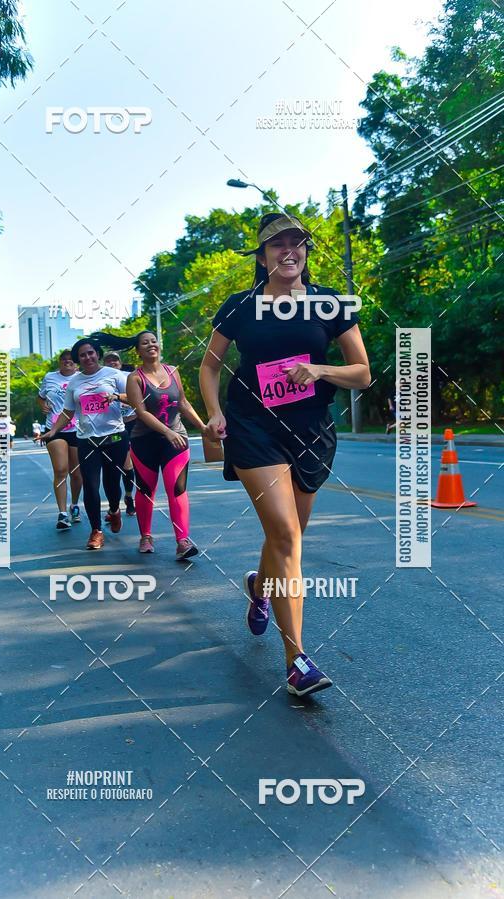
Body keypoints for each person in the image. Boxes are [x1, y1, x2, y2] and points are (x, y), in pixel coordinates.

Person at [199, 212, 371, 697]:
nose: (288, 251)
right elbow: (209, 368)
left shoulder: (329, 304)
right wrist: (214, 412)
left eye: (297, 243)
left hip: (312, 430)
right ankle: (297, 660)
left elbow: (362, 372)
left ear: (306, 253)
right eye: (277, 245)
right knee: (286, 534)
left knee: (286, 537)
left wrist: (319, 370)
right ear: (263, 256)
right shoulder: (241, 307)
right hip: (254, 427)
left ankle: (260, 589)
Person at [98, 330, 205, 560]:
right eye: (145, 343)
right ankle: (146, 535)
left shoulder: (173, 371)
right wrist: (166, 432)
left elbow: (184, 403)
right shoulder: (135, 378)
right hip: (144, 440)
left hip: (176, 437)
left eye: (153, 341)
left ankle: (182, 541)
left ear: (159, 346)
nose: (150, 345)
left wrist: (203, 427)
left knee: (177, 488)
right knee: (146, 490)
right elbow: (141, 412)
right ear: (138, 351)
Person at [40, 337, 129, 550]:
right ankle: (96, 531)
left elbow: (136, 397)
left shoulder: (114, 375)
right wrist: (53, 430)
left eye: (90, 353)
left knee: (112, 482)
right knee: (90, 484)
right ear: (78, 359)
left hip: (114, 436)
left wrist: (116, 396)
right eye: (82, 355)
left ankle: (115, 510)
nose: (87, 357)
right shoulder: (74, 382)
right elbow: (68, 411)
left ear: (97, 354)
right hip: (87, 439)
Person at [37, 350, 83, 530]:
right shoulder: (49, 377)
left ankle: (74, 505)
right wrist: (44, 406)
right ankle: (62, 513)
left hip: (78, 429)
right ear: (59, 362)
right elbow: (40, 397)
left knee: (77, 473)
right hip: (54, 428)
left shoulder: (82, 377)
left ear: (76, 363)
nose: (67, 362)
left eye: (71, 360)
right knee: (60, 469)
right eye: (64, 360)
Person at [102, 351, 136, 517]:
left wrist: (116, 396)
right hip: (114, 428)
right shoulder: (101, 380)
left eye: (115, 360)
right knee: (118, 464)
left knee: (128, 463)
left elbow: (138, 397)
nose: (112, 363)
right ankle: (114, 504)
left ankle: (129, 496)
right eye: (108, 361)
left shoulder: (129, 376)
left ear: (120, 363)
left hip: (133, 424)